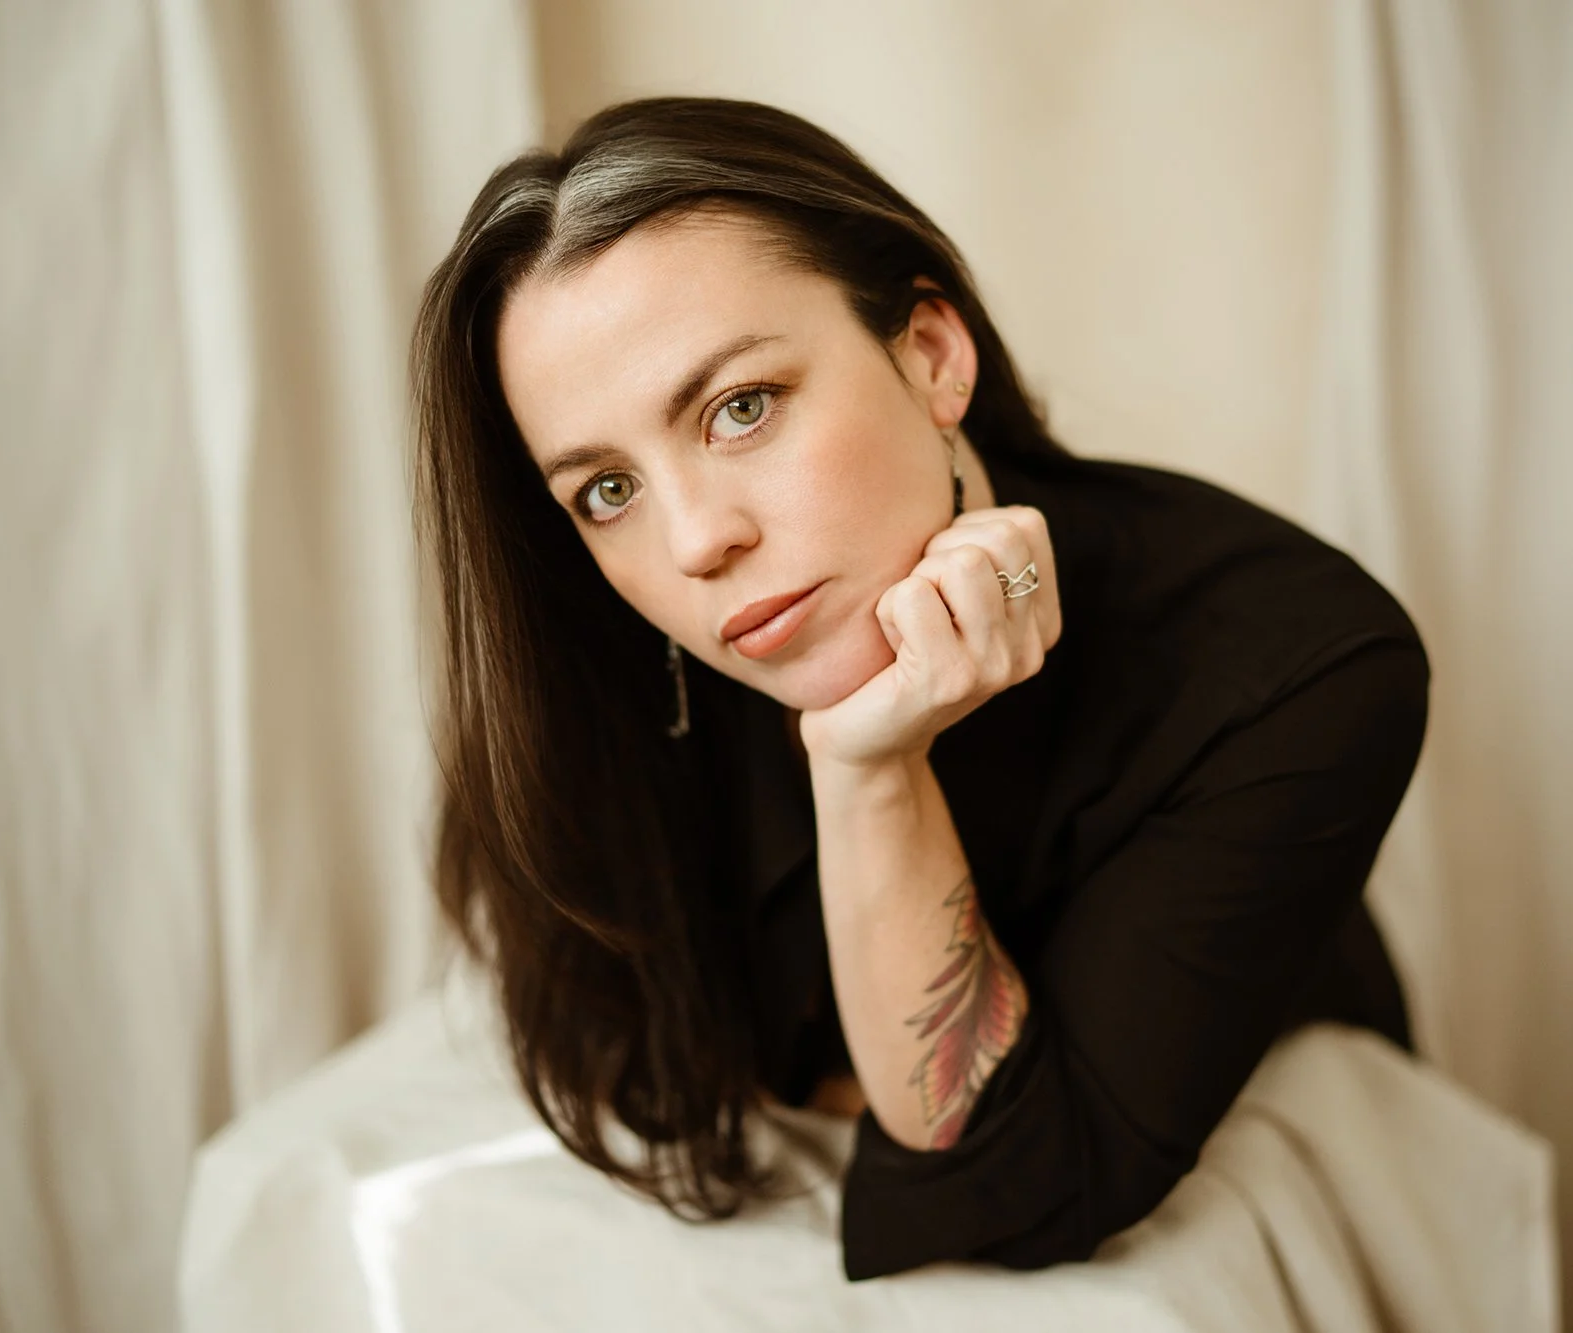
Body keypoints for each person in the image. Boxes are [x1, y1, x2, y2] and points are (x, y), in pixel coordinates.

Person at [409, 96, 1429, 1283]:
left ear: (930, 356)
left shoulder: (1290, 654)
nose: (694, 541)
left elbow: (1009, 1190)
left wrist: (866, 769)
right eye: (605, 491)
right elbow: (611, 1034)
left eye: (740, 408)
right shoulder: (595, 667)